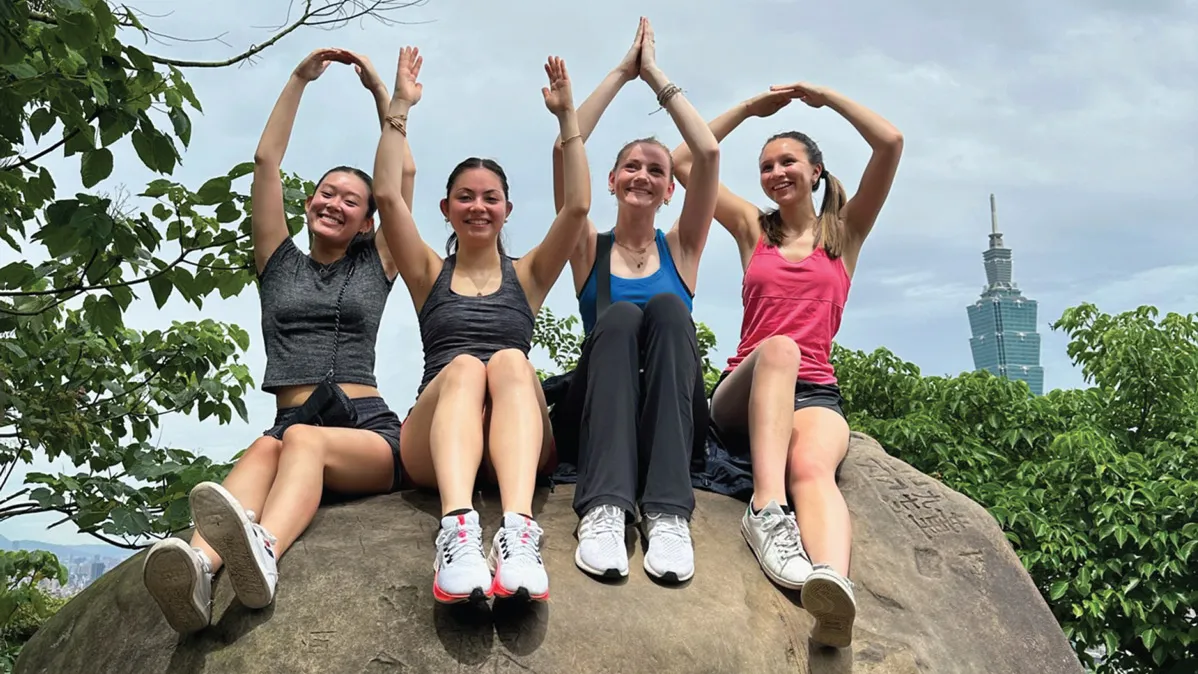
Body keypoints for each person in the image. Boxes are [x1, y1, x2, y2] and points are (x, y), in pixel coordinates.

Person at [142, 48, 413, 633]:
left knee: (303, 443)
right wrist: (298, 79)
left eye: (350, 200)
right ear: (308, 200)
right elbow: (267, 161)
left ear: (367, 222)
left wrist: (385, 102)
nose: (333, 203)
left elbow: (398, 184)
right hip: (289, 427)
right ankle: (200, 568)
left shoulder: (378, 262)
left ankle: (264, 550)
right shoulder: (278, 260)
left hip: (364, 429)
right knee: (269, 447)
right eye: (325, 192)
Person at [672, 82, 902, 646]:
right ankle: (766, 510)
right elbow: (682, 161)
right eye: (766, 165)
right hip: (743, 392)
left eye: (788, 161)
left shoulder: (843, 234)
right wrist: (752, 108)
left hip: (815, 394)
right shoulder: (755, 229)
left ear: (816, 171)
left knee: (814, 470)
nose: (776, 172)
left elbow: (890, 142)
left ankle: (832, 593)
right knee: (778, 348)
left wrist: (823, 98)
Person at [373, 48, 589, 603]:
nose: (477, 207)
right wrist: (400, 104)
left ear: (508, 210)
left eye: (490, 198)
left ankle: (517, 532)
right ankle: (458, 530)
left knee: (512, 360)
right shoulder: (426, 272)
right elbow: (386, 195)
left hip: (516, 439)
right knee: (467, 365)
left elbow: (579, 210)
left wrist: (568, 118)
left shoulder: (531, 274)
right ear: (446, 208)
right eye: (465, 198)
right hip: (436, 439)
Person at [548, 17, 719, 583]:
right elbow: (563, 150)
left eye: (656, 170)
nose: (643, 175)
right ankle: (604, 509)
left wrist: (656, 78)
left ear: (672, 189)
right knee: (620, 315)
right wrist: (622, 72)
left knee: (670, 311)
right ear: (613, 180)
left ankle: (669, 513)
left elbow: (709, 152)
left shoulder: (683, 249)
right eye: (631, 166)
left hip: (669, 412)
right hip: (601, 412)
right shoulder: (584, 247)